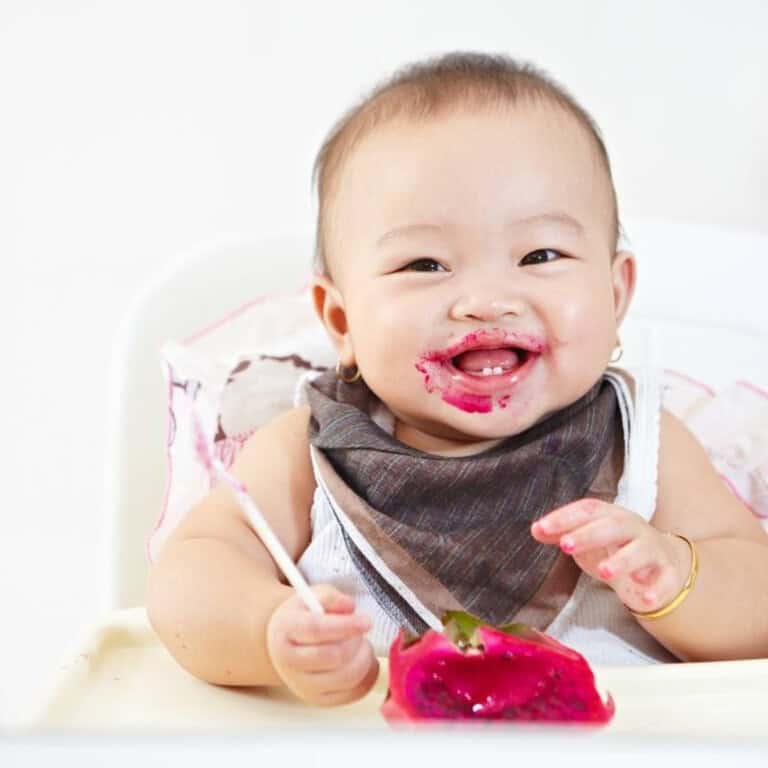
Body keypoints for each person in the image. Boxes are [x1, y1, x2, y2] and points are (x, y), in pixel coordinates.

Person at [146, 52, 768, 707]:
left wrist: (678, 576)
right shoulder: (308, 451)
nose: (487, 299)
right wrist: (267, 629)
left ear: (616, 294)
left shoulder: (645, 446)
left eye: (540, 255)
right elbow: (187, 583)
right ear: (342, 318)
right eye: (425, 264)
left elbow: (758, 603)